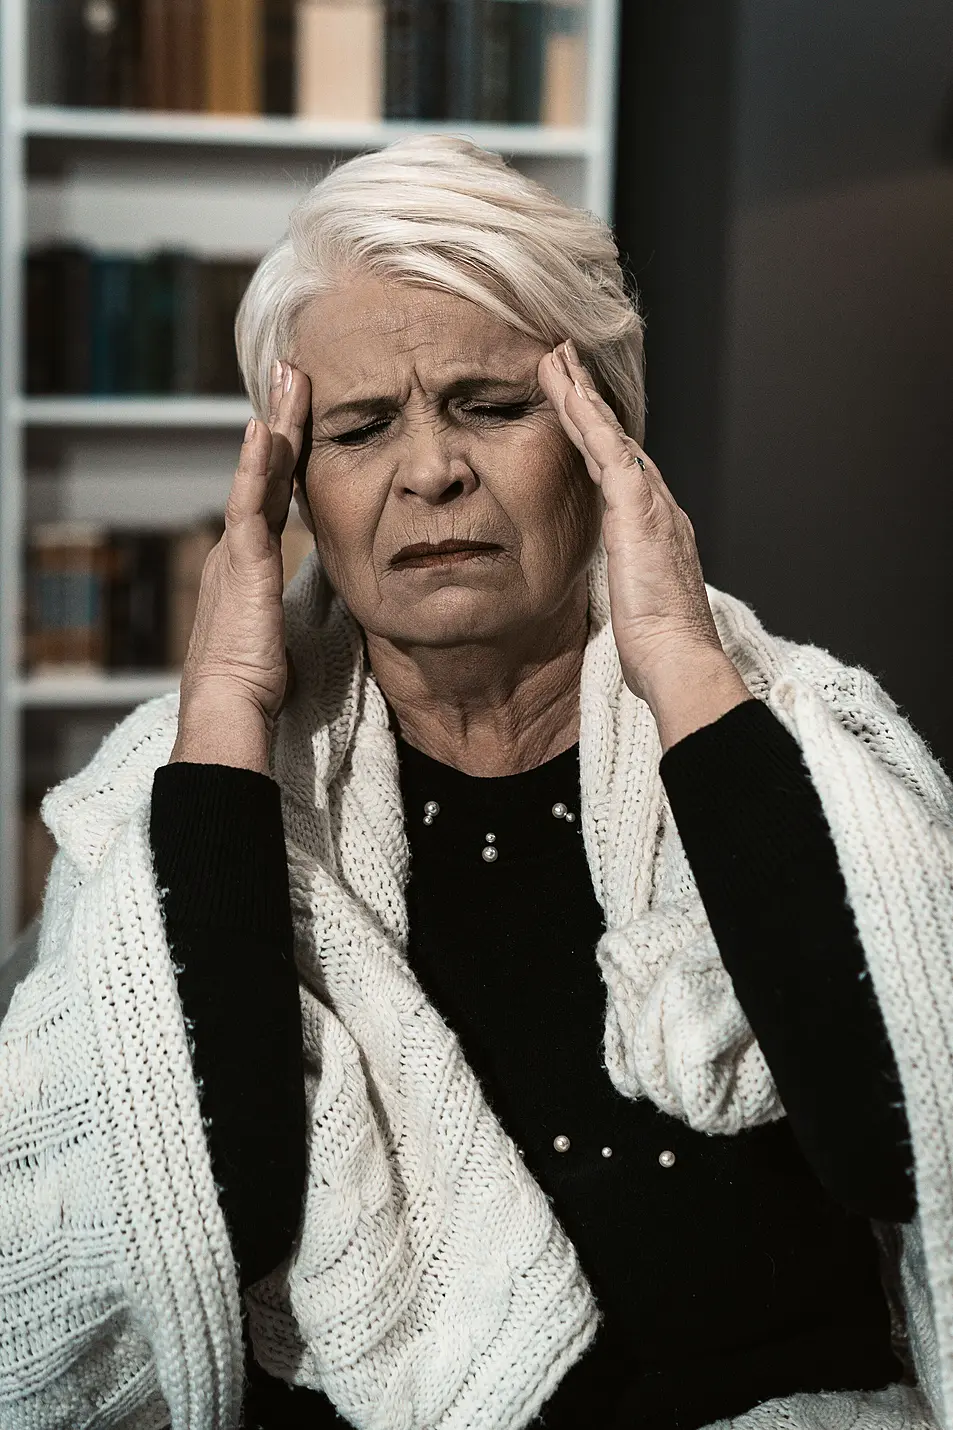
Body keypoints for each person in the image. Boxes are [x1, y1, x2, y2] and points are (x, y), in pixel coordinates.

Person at [2, 136, 953, 1430]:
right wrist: (226, 695)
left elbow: (900, 1139)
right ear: (296, 489)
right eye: (360, 425)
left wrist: (681, 664)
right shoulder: (190, 789)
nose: (431, 469)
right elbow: (209, 1213)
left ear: (600, 435)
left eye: (490, 405)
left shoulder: (773, 734)